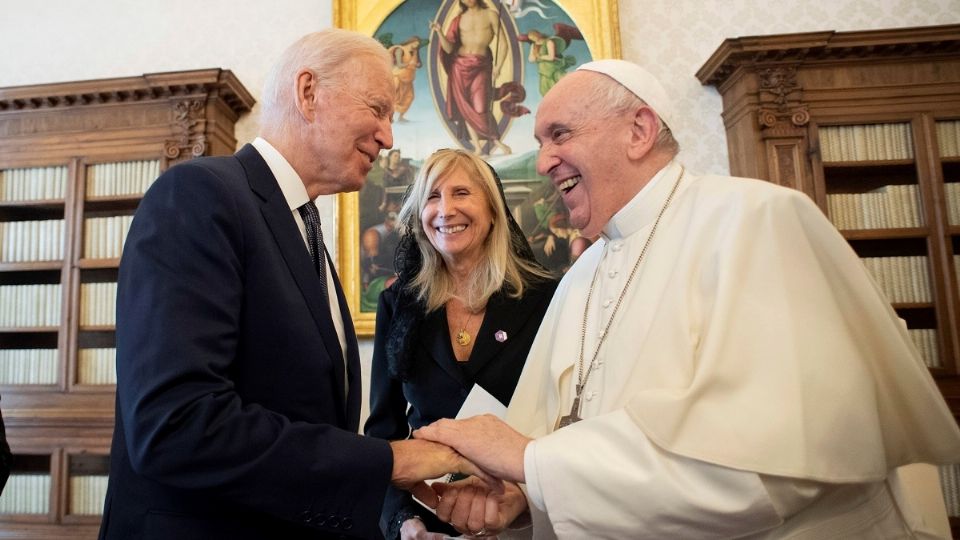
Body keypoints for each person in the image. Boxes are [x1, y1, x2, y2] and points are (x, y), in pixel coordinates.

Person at [414, 59, 960, 538]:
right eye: (540, 144)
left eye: (559, 134)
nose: (542, 162)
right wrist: (524, 498)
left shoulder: (755, 221)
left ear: (639, 130)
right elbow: (557, 443)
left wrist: (535, 462)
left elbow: (766, 469)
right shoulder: (581, 277)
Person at [99, 29, 490, 540]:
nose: (388, 136)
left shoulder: (304, 232)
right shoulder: (200, 195)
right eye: (377, 108)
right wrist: (387, 461)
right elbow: (177, 425)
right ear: (308, 92)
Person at [364, 149, 557, 539]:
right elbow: (383, 434)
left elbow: (565, 421)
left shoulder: (548, 298)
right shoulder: (398, 305)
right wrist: (405, 524)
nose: (445, 209)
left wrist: (522, 499)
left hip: (524, 514)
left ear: (493, 210)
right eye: (432, 197)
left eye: (462, 193)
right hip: (429, 518)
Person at [430, 0, 522, 156]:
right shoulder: (458, 19)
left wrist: (498, 66)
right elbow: (449, 48)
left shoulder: (491, 15)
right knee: (465, 107)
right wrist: (439, 32)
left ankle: (495, 141)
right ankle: (478, 147)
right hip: (459, 66)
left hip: (481, 65)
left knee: (481, 106)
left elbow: (504, 44)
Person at [518, 24, 582, 96]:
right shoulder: (534, 45)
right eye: (532, 38)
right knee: (545, 90)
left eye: (534, 36)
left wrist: (540, 57)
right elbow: (531, 59)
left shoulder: (549, 42)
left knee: (564, 82)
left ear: (538, 34)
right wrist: (536, 57)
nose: (534, 38)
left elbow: (551, 57)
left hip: (552, 67)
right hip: (543, 70)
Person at [387, 36, 423, 122]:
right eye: (416, 43)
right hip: (398, 76)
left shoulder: (414, 52)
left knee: (409, 97)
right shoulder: (400, 50)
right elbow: (399, 65)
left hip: (408, 78)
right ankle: (389, 117)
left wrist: (417, 64)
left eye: (418, 45)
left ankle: (401, 117)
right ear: (411, 41)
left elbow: (419, 64)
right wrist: (409, 64)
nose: (416, 46)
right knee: (393, 97)